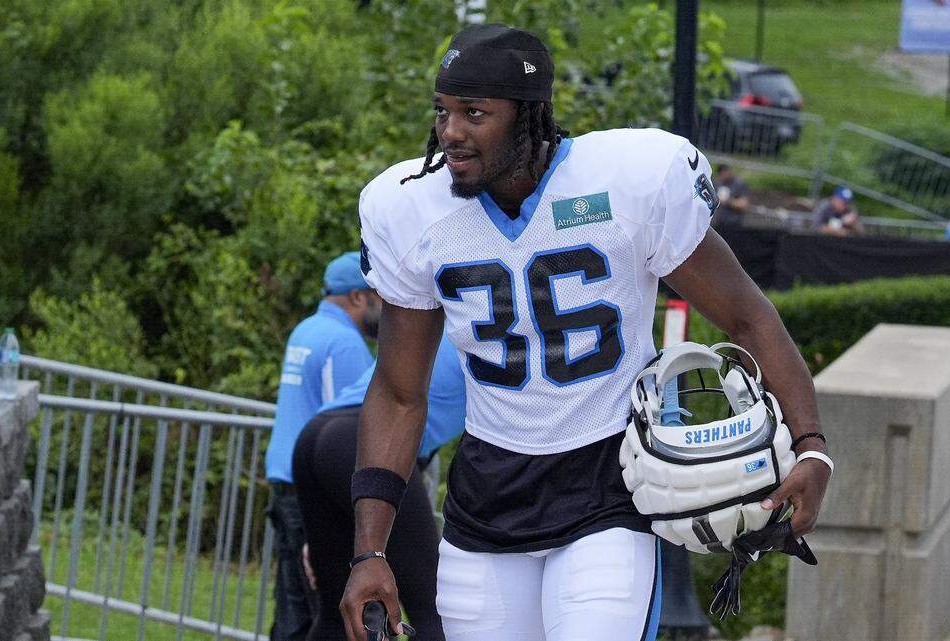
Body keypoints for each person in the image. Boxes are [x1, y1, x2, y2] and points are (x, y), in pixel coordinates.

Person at [343, 24, 832, 641]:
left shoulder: (623, 183)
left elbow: (747, 315)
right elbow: (398, 392)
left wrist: (811, 444)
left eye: (475, 113)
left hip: (609, 484)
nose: (452, 133)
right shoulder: (411, 208)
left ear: (528, 117)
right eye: (442, 112)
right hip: (487, 497)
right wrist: (370, 551)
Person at [292, 338, 465, 641]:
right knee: (435, 612)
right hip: (360, 440)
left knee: (337, 616)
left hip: (319, 435)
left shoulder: (445, 322)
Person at [265, 251, 381, 641]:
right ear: (357, 297)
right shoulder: (344, 344)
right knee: (325, 609)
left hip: (284, 478)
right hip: (313, 489)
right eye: (378, 297)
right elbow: (347, 429)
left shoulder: (306, 330)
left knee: (292, 608)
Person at [712, 164, 750, 229]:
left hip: (733, 223)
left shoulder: (738, 184)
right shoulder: (716, 183)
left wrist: (727, 201)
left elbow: (743, 205)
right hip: (718, 222)